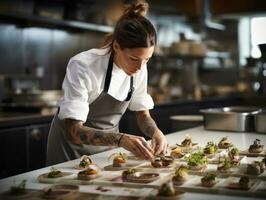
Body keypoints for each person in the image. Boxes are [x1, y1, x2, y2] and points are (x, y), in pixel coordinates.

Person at [46, 0, 167, 166]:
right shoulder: (84, 65)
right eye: (134, 59)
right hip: (69, 153)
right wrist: (121, 139)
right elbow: (73, 131)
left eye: (147, 59)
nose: (140, 67)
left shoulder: (139, 67)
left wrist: (155, 132)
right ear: (117, 46)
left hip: (106, 152)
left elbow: (142, 114)